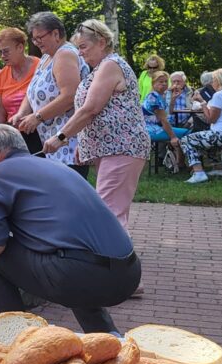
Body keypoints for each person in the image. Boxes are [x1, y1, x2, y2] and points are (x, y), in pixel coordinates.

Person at [0, 125, 141, 333]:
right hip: (129, 273)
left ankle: (13, 335)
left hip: (81, 275)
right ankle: (106, 337)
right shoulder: (57, 167)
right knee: (75, 253)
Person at [43, 19, 149, 229]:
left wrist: (61, 137)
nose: (80, 53)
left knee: (109, 214)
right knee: (111, 212)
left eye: (83, 47)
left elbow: (90, 109)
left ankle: (114, 260)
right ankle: (115, 259)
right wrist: (83, 145)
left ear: (101, 42)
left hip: (123, 147)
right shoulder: (101, 67)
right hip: (114, 149)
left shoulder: (110, 65)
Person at [10, 12, 89, 174]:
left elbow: (70, 96)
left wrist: (37, 116)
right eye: (34, 38)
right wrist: (22, 113)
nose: (37, 42)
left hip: (67, 143)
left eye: (40, 37)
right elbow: (32, 90)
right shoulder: (47, 56)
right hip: (50, 143)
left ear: (56, 34)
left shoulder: (65, 54)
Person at [181, 68, 222, 184]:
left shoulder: (219, 95)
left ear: (219, 80)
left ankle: (198, 173)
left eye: (213, 80)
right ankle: (218, 168)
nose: (212, 83)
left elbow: (211, 119)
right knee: (207, 137)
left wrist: (202, 103)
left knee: (186, 140)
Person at [0, 27, 39, 152]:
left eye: (6, 51)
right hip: (15, 136)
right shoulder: (2, 75)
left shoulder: (40, 67)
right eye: (0, 52)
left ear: (20, 47)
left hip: (41, 130)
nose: (2, 56)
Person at [142, 71, 190, 145]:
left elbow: (170, 112)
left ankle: (176, 155)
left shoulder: (160, 95)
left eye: (166, 81)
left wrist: (173, 98)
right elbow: (163, 120)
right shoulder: (153, 97)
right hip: (150, 129)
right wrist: (173, 137)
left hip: (157, 127)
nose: (164, 84)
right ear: (153, 83)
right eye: (161, 82)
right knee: (188, 133)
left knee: (182, 135)